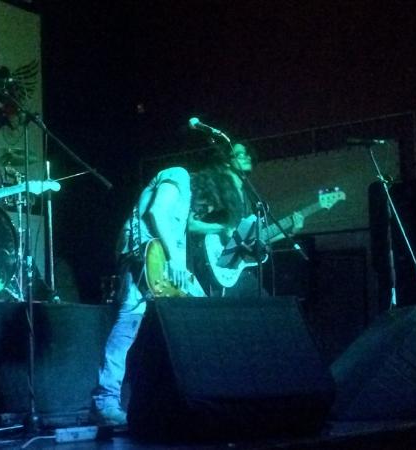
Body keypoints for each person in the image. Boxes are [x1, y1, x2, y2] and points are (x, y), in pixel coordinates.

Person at [91, 166, 206, 426]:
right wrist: (175, 260)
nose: (205, 209)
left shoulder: (188, 201)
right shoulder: (179, 176)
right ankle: (104, 401)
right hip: (144, 254)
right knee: (127, 324)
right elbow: (157, 211)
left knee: (196, 318)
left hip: (160, 261)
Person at [188, 141, 305, 298]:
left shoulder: (248, 197)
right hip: (213, 265)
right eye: (240, 154)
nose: (247, 157)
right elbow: (191, 224)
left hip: (238, 269)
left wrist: (290, 232)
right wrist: (223, 228)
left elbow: (255, 239)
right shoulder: (215, 188)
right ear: (227, 162)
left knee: (268, 308)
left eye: (247, 154)